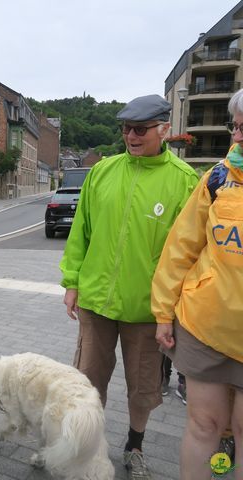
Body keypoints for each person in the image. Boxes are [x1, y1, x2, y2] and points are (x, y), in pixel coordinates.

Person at [59, 94, 199, 479]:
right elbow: (80, 233)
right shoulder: (103, 172)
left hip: (147, 311)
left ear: (164, 130)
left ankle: (134, 446)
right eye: (125, 129)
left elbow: (188, 254)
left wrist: (171, 310)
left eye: (140, 129)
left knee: (143, 388)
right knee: (88, 382)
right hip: (96, 303)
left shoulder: (185, 183)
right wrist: (71, 282)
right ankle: (90, 446)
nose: (131, 136)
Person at [151, 88, 243, 480]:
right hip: (206, 326)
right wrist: (163, 314)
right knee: (205, 425)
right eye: (236, 126)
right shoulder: (218, 178)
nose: (237, 137)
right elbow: (180, 248)